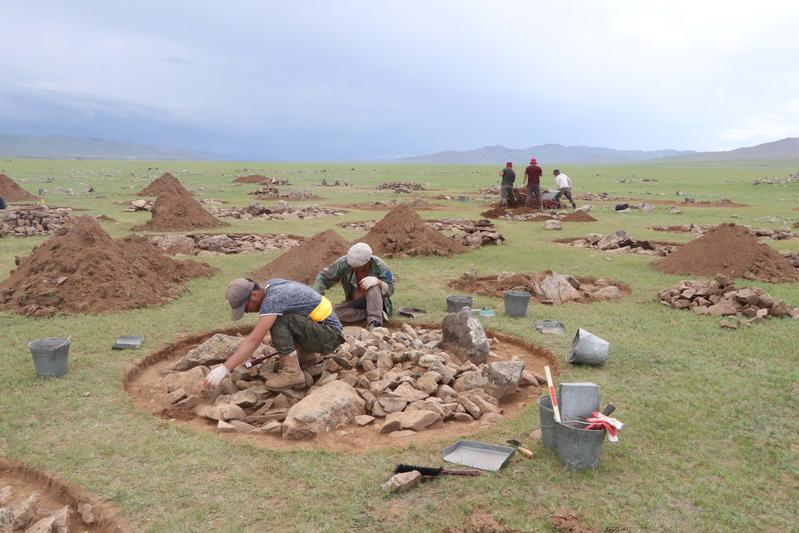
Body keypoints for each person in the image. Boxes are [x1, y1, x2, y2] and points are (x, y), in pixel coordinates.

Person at [204, 278, 345, 391]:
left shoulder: (273, 300)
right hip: (324, 330)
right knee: (281, 316)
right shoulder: (272, 285)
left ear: (253, 295)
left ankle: (293, 373)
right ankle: (306, 354)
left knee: (279, 319)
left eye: (244, 308)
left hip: (330, 336)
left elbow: (254, 340)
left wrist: (224, 369)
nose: (246, 312)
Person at [313, 243, 395, 331]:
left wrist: (378, 282)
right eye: (353, 268)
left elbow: (391, 288)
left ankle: (375, 323)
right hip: (354, 304)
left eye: (360, 268)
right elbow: (323, 277)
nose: (355, 270)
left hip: (377, 302)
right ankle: (374, 314)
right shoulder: (343, 263)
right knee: (330, 313)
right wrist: (316, 300)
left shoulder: (379, 266)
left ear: (369, 262)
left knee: (373, 288)